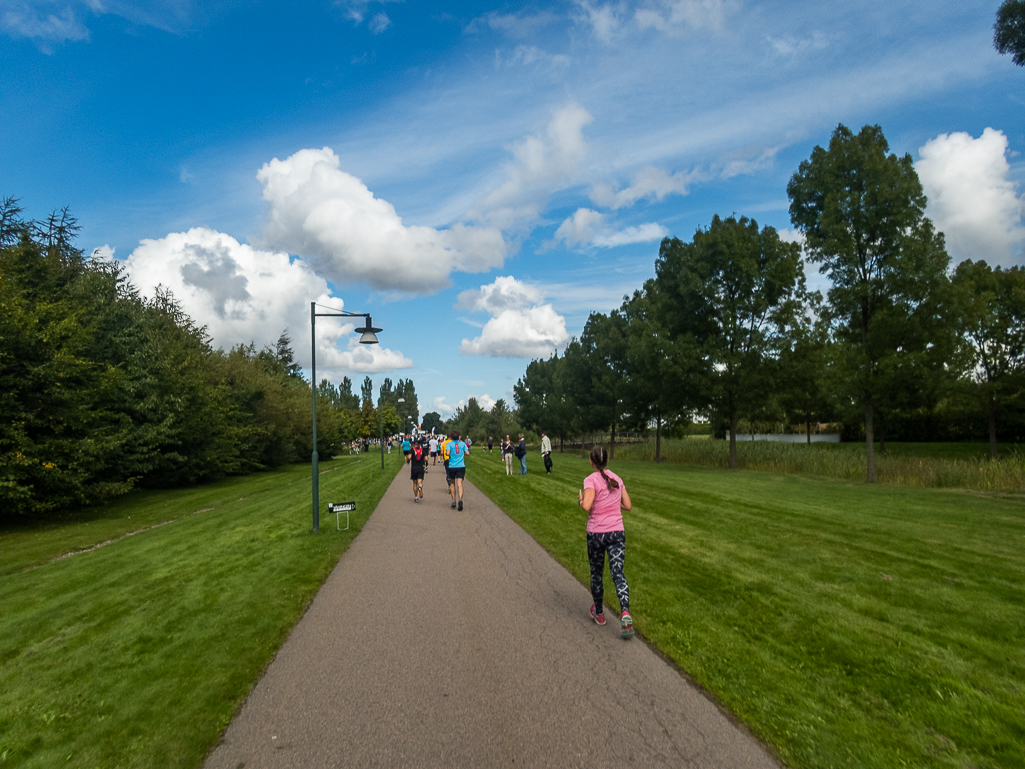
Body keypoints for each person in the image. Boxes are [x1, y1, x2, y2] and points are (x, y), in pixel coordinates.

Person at [577, 446, 633, 639]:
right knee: (618, 572)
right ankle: (625, 612)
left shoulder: (590, 480)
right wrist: (612, 502)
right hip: (617, 532)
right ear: (607, 461)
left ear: (591, 462)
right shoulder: (617, 479)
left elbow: (586, 506)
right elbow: (628, 505)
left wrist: (580, 500)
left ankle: (599, 613)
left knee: (597, 573)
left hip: (597, 534)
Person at [446, 430, 469, 510]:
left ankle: (453, 501)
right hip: (461, 466)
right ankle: (460, 499)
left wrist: (447, 453)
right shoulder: (462, 444)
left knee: (452, 483)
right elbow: (468, 453)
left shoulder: (449, 444)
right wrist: (463, 453)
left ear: (451, 437)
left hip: (452, 466)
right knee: (460, 483)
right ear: (459, 436)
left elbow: (448, 453)